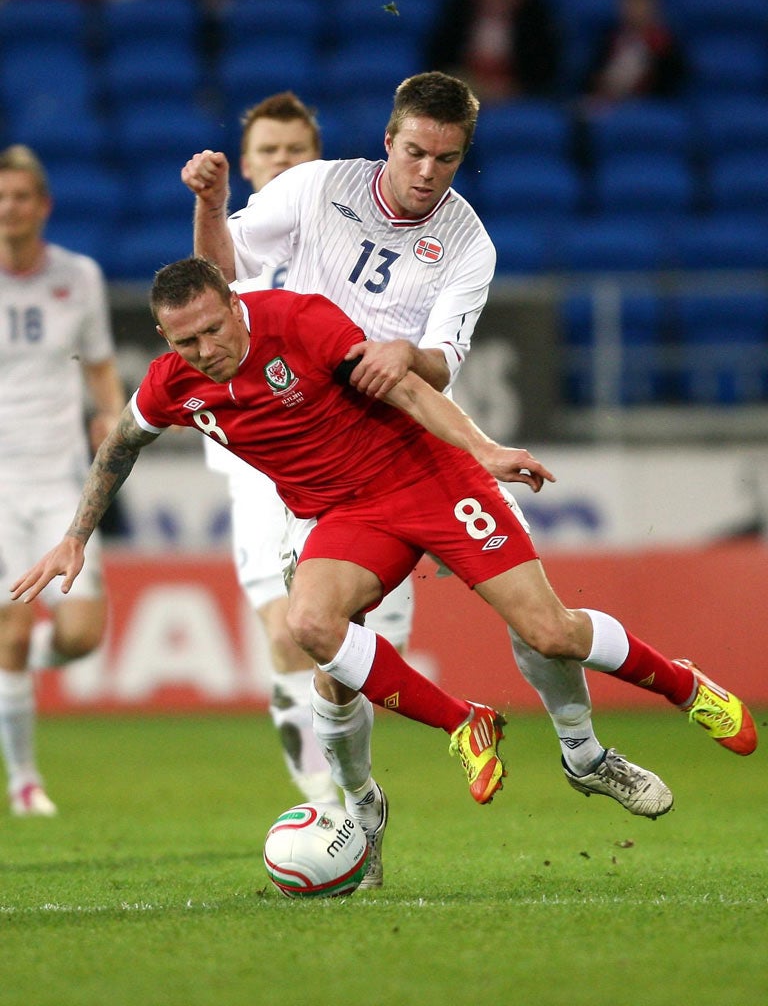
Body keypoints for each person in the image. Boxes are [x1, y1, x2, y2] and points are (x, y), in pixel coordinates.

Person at [10, 259, 756, 855]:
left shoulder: (299, 319)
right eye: (185, 343)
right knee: (309, 626)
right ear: (164, 341)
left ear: (235, 305)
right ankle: (466, 723)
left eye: (212, 330)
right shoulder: (175, 385)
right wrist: (77, 534)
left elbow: (401, 386)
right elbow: (120, 443)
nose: (205, 352)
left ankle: (683, 687)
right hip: (348, 516)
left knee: (551, 633)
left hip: (428, 477)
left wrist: (484, 448)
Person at [180, 70, 680, 884]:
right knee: (336, 663)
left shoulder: (469, 242)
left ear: (461, 156)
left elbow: (441, 364)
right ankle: (358, 813)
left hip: (412, 455)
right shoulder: (313, 190)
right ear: (389, 141)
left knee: (536, 618)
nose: (426, 171)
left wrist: (406, 359)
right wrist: (210, 202)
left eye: (446, 158)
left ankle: (584, 751)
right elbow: (221, 277)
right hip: (313, 478)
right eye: (415, 151)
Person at [204, 91, 414, 805]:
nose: (283, 162)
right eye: (269, 151)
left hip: (362, 462)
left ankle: (351, 790)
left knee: (363, 654)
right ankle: (326, 802)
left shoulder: (352, 240)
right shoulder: (231, 249)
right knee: (291, 630)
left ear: (315, 157)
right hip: (259, 469)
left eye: (296, 150)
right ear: (249, 163)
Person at [0, 144, 124, 816]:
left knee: (80, 635)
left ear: (42, 205)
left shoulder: (79, 277)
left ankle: (4, 679)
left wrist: (111, 415)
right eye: (1, 197)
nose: (9, 208)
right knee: (13, 632)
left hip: (64, 483)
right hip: (0, 482)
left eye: (21, 196)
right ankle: (24, 782)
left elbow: (100, 366)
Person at [424, 0, 561, 102]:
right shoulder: (458, 11)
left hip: (516, 93)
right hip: (463, 86)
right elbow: (439, 59)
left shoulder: (536, 17)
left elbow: (544, 69)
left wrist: (509, 88)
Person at [580, 0, 687, 107]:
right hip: (607, 106)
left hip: (650, 107)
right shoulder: (607, 38)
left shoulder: (667, 43)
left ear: (654, 5)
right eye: (630, 1)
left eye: (641, 1)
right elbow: (587, 78)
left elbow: (675, 83)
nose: (635, 8)